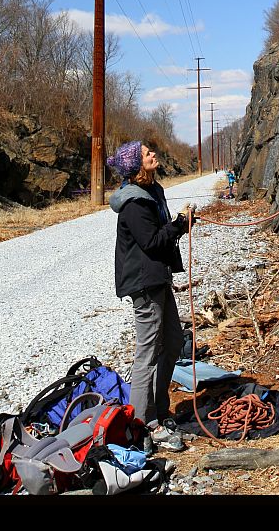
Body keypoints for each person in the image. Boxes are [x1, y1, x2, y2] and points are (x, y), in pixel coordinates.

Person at [107, 140, 196, 453]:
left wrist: (180, 225)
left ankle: (159, 408)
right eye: (147, 154)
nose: (153, 154)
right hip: (144, 284)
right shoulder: (134, 203)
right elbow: (153, 242)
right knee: (147, 352)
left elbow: (162, 237)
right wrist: (178, 226)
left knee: (172, 342)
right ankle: (143, 421)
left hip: (158, 279)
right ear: (136, 166)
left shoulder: (152, 192)